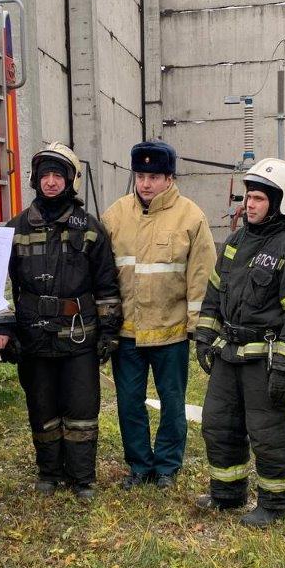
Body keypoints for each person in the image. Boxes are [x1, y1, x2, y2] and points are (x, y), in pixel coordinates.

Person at [193, 158, 285, 528]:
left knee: (268, 433)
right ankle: (226, 493)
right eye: (248, 197)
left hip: (265, 361)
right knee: (219, 425)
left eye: (258, 199)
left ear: (281, 201)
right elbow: (214, 292)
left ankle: (275, 501)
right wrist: (205, 334)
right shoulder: (235, 243)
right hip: (227, 356)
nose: (249, 204)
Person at [0, 142, 121, 499]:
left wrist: (108, 331)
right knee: (42, 406)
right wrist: (5, 328)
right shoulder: (15, 229)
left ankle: (83, 477)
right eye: (45, 175)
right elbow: (1, 285)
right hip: (34, 335)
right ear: (35, 180)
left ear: (70, 181)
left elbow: (106, 285)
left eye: (58, 175)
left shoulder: (91, 229)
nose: (51, 182)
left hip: (79, 335)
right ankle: (49, 472)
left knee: (82, 407)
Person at [101, 141, 216, 489]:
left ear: (169, 178)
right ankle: (139, 465)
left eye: (154, 176)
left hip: (171, 332)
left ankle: (167, 466)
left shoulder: (191, 217)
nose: (146, 184)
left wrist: (200, 329)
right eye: (140, 176)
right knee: (130, 403)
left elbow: (201, 276)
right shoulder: (115, 216)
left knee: (172, 403)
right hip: (128, 333)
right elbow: (102, 274)